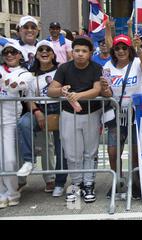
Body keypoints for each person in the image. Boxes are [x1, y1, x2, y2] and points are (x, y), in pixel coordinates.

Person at [48, 36, 103, 203]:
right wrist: (62, 91)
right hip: (68, 115)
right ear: (72, 52)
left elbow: (97, 90)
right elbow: (52, 90)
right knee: (72, 154)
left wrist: (77, 95)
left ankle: (89, 184)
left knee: (90, 151)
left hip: (91, 113)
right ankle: (76, 184)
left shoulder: (96, 67)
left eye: (84, 51)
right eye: (77, 50)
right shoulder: (64, 68)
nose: (80, 54)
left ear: (90, 53)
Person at [100, 34, 142, 199]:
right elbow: (106, 92)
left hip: (137, 112)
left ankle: (136, 183)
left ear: (129, 49)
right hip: (116, 113)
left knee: (136, 152)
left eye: (124, 48)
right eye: (117, 48)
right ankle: (118, 182)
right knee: (114, 151)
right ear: (113, 50)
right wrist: (105, 89)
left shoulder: (137, 62)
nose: (121, 51)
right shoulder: (107, 66)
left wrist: (139, 50)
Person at [16, 40, 68, 197]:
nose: (44, 52)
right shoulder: (31, 75)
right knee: (24, 123)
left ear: (53, 54)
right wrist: (37, 113)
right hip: (41, 110)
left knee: (61, 148)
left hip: (61, 110)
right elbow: (29, 99)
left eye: (48, 50)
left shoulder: (62, 70)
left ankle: (59, 182)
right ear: (36, 55)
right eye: (41, 50)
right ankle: (28, 160)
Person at [0, 42, 33, 208]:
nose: (9, 55)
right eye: (6, 52)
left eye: (13, 52)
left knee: (10, 160)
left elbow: (17, 87)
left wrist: (3, 80)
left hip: (10, 120)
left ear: (20, 55)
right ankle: (1, 193)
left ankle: (13, 192)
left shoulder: (25, 73)